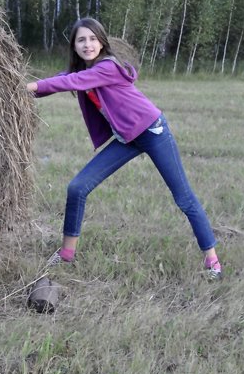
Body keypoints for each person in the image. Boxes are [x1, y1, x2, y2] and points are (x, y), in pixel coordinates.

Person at [25, 17, 222, 279]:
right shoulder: (84, 71)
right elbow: (62, 79)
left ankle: (212, 261)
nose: (88, 44)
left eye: (93, 38)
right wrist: (19, 91)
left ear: (102, 41)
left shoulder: (107, 66)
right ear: (73, 45)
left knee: (183, 197)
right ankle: (66, 255)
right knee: (77, 187)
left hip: (153, 132)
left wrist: (31, 86)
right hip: (126, 137)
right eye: (81, 39)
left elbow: (70, 83)